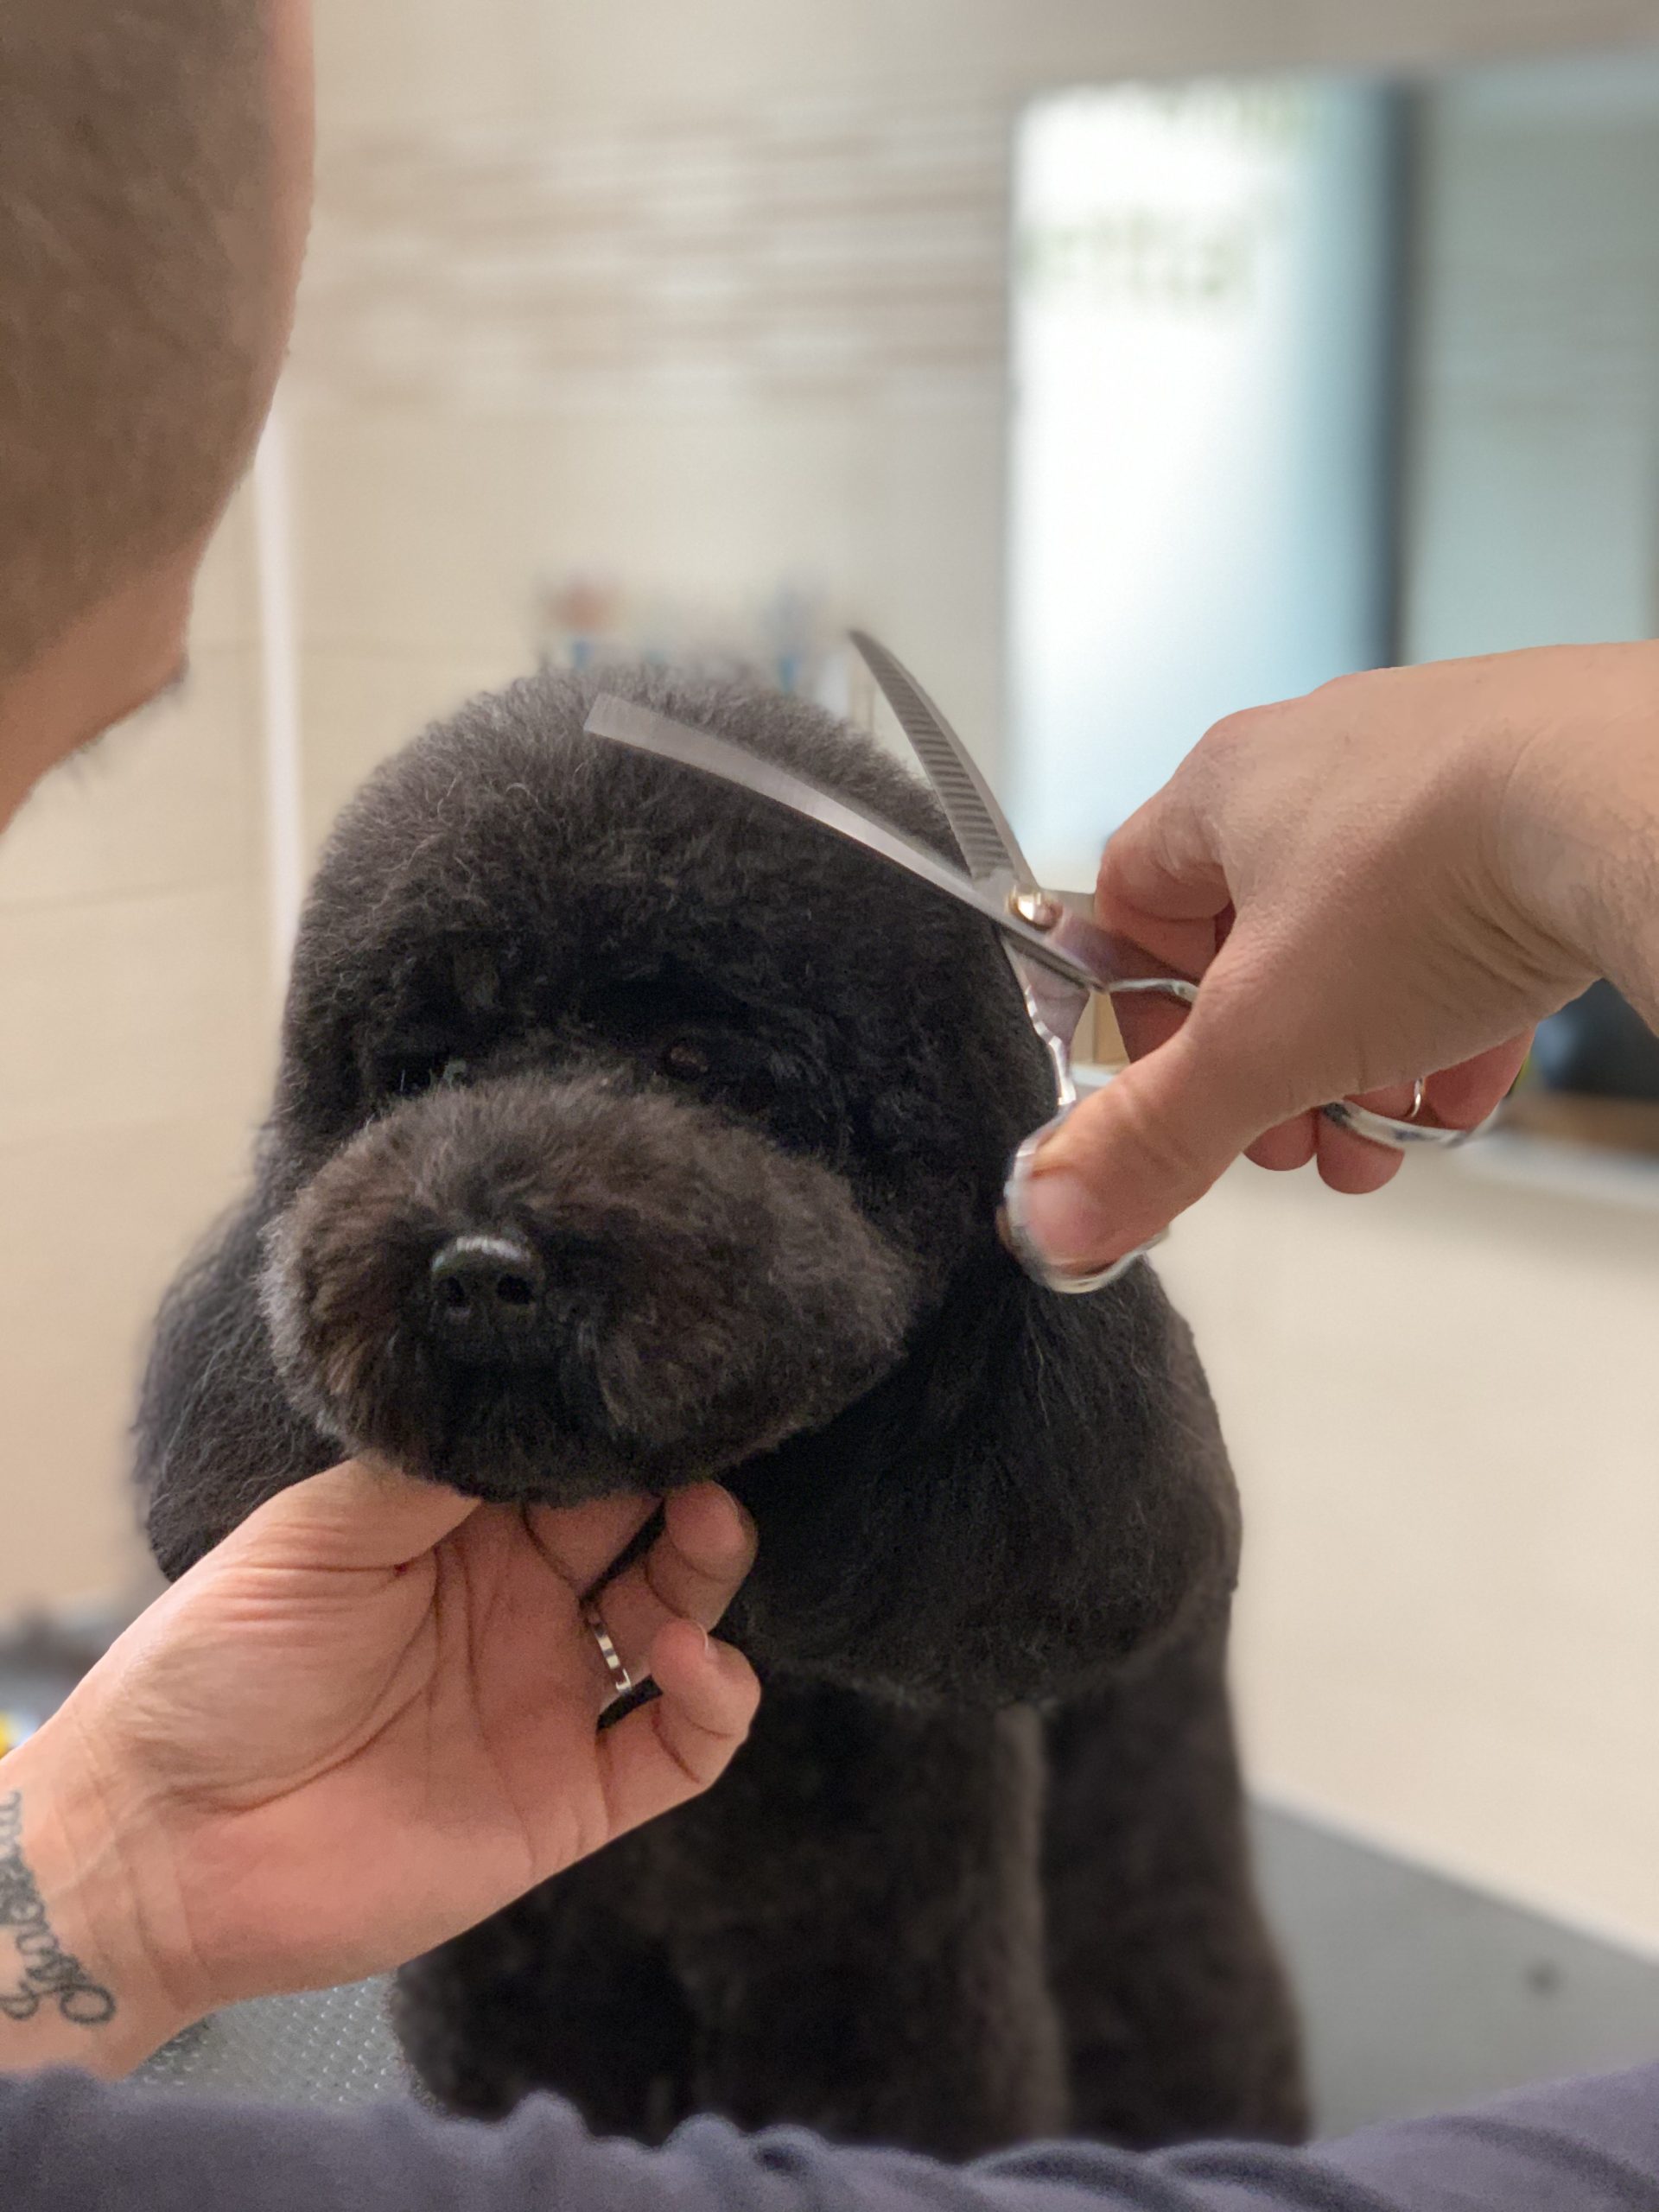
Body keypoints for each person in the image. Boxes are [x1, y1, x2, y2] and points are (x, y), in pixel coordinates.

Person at [0, 3, 1656, 2207]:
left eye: (699, 1073)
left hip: (905, 1741)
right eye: (426, 1071)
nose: (483, 1209)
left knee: (1127, 1939)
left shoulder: (987, 1473)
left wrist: (100, 1860)